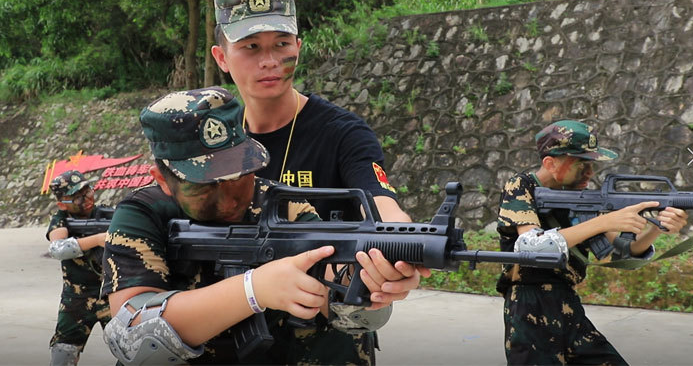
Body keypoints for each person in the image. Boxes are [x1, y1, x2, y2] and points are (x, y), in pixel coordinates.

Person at [100, 87, 425, 365]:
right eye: (205, 185)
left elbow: (332, 278)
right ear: (163, 181)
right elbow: (133, 333)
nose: (229, 197)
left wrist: (365, 281)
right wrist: (253, 290)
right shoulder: (143, 213)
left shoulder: (281, 204)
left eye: (240, 174)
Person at [210, 0, 411, 223]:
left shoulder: (343, 135)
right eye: (251, 47)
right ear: (221, 58)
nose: (270, 62)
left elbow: (381, 206)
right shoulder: (214, 140)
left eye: (282, 44)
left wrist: (399, 236)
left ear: (298, 48)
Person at [495, 120, 688, 365]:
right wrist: (604, 222)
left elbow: (625, 251)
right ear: (550, 163)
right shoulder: (521, 186)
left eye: (591, 165)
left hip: (567, 303)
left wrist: (657, 227)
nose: (590, 173)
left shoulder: (580, 194)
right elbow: (532, 246)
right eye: (581, 165)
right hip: (528, 304)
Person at [46, 170, 111, 366]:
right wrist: (98, 239)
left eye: (87, 191)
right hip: (77, 298)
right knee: (64, 351)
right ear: (61, 204)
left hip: (110, 293)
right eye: (76, 197)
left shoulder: (108, 213)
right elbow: (57, 249)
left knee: (133, 346)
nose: (86, 199)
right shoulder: (61, 219)